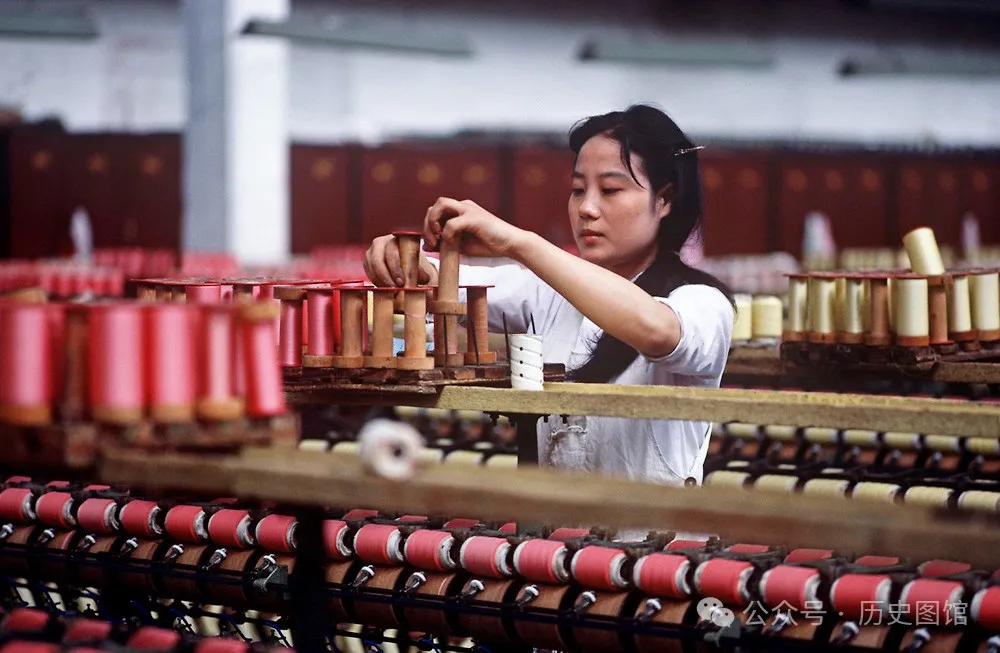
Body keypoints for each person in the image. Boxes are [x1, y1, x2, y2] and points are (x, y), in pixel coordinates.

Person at [363, 104, 734, 487]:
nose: (586, 208)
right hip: (555, 543)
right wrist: (401, 259)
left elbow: (657, 331)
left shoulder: (703, 303)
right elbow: (440, 282)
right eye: (577, 190)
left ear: (664, 199)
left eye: (610, 189)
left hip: (654, 540)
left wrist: (520, 242)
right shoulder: (548, 294)